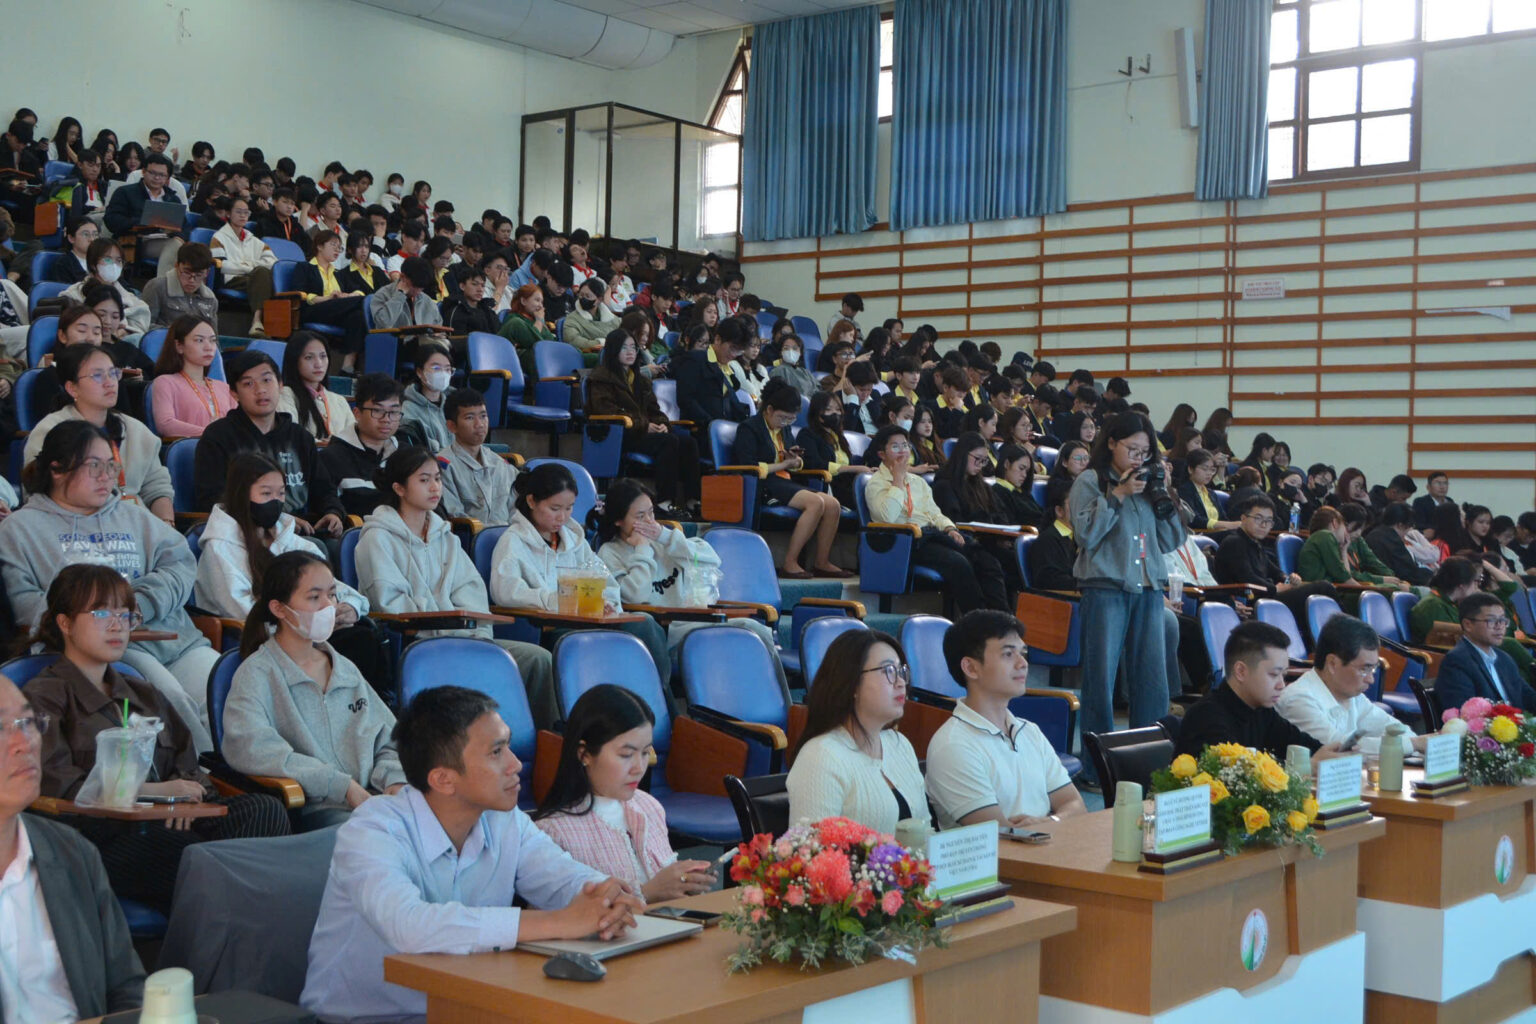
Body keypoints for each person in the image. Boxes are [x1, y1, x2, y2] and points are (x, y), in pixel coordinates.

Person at [300, 685, 641, 1023]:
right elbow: (409, 926)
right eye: (496, 752)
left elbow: (562, 877)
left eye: (508, 745)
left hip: (467, 1009)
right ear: (444, 779)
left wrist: (604, 898)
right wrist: (559, 922)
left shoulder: (505, 820)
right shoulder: (372, 830)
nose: (515, 764)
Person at [28, 565, 292, 912]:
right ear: (64, 623)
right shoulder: (44, 696)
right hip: (104, 833)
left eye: (125, 615)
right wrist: (155, 795)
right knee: (194, 857)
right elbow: (57, 786)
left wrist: (185, 799)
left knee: (265, 810)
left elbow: (189, 766)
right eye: (102, 612)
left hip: (173, 823)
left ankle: (239, 916)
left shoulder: (143, 692)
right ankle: (250, 919)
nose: (116, 625)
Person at [0, 421, 215, 749]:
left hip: (173, 640)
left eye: (111, 465)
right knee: (172, 700)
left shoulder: (132, 514)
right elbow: (24, 602)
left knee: (231, 690)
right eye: (94, 466)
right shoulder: (20, 529)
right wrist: (102, 614)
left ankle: (255, 782)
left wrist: (140, 603)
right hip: (106, 652)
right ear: (57, 469)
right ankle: (205, 781)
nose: (107, 476)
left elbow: (179, 562)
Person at [355, 448, 558, 728]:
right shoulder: (377, 538)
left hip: (466, 638)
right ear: (399, 488)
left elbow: (471, 590)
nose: (435, 487)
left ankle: (546, 749)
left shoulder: (445, 535)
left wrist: (468, 632)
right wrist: (448, 623)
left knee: (538, 660)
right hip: (419, 645)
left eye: (437, 478)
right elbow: (390, 603)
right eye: (424, 480)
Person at [223, 551, 406, 830]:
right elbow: (252, 749)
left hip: (374, 801)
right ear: (279, 609)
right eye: (313, 597)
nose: (327, 607)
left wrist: (394, 780)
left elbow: (389, 738)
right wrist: (342, 787)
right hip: (320, 812)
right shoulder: (257, 674)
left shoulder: (344, 669)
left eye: (331, 595)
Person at [0, 671, 147, 1019]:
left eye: (28, 721)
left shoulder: (71, 853)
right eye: (1, 727)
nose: (25, 742)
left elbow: (127, 989)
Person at [1070, 413, 1186, 767]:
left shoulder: (1150, 485)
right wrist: (1118, 494)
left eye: (1145, 452)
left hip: (1149, 587)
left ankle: (1152, 762)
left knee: (1152, 680)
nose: (1138, 458)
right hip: (1105, 587)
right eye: (1132, 449)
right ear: (1111, 444)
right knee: (1101, 680)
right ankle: (1098, 765)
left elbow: (1171, 540)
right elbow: (1086, 535)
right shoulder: (1091, 481)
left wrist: (1165, 497)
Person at [533, 683, 719, 901]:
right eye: (626, 755)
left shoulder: (648, 806)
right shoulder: (553, 831)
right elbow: (559, 917)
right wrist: (649, 892)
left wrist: (683, 884)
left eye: (644, 752)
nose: (639, 767)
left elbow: (665, 891)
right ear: (584, 754)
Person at [489, 463, 671, 682]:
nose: (563, 517)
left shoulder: (575, 540)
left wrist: (605, 604)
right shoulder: (513, 541)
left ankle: (658, 694)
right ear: (531, 501)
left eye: (569, 508)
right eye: (555, 509)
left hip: (588, 621)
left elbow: (606, 582)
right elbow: (506, 592)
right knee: (612, 642)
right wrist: (561, 601)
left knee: (644, 624)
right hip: (549, 630)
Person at [925, 611, 1086, 829]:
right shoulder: (954, 745)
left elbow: (1076, 805)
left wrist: (1050, 821)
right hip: (1000, 863)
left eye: (1023, 653)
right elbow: (1001, 837)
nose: (1023, 664)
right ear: (971, 667)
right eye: (1008, 654)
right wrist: (1053, 823)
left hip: (1047, 853)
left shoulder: (1029, 731)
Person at [595, 479, 777, 655]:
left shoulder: (663, 540)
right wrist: (642, 549)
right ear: (618, 520)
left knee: (754, 630)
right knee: (746, 631)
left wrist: (665, 537)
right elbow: (636, 596)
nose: (650, 521)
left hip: (693, 621)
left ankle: (775, 685)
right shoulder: (610, 552)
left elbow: (712, 559)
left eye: (651, 513)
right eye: (640, 516)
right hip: (664, 632)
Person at [192, 351, 345, 539]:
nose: (260, 390)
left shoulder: (299, 437)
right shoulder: (218, 437)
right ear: (234, 393)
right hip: (246, 533)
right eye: (248, 384)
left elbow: (323, 489)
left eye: (267, 380)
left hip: (302, 534)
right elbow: (213, 499)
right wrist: (278, 519)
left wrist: (332, 512)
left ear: (280, 385)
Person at [787, 629, 925, 833]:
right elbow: (812, 855)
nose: (900, 682)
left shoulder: (899, 744)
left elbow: (927, 829)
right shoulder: (821, 757)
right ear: (852, 684)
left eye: (901, 671)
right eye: (888, 670)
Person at [866, 425, 1009, 612]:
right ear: (881, 454)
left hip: (932, 536)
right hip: (905, 542)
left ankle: (1002, 619)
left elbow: (934, 513)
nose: (902, 451)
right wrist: (898, 481)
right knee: (958, 563)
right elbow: (887, 518)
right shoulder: (874, 483)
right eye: (895, 447)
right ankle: (978, 622)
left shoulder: (918, 482)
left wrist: (950, 528)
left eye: (906, 446)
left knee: (987, 561)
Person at [26, 344, 174, 523]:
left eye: (113, 373)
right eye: (97, 375)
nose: (109, 382)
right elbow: (38, 493)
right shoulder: (50, 431)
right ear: (72, 388)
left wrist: (167, 524)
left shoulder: (137, 430)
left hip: (136, 528)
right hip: (75, 526)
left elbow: (157, 487)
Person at [1176, 621, 1345, 760]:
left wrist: (1337, 752)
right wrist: (1307, 766)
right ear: (1241, 671)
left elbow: (1306, 747)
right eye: (1274, 674)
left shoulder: (1262, 711)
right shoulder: (1207, 717)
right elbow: (1241, 776)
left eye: (1284, 675)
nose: (1281, 685)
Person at [732, 380, 848, 579]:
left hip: (783, 481)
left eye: (791, 419)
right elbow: (748, 466)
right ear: (769, 409)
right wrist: (783, 465)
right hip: (761, 484)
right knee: (815, 503)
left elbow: (796, 462)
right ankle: (790, 562)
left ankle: (822, 562)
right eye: (783, 418)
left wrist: (795, 459)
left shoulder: (784, 430)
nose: (786, 423)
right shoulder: (749, 428)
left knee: (833, 505)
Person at [1276, 614, 1429, 756]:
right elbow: (1339, 749)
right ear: (1332, 664)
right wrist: (1413, 744)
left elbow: (1397, 730)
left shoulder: (1352, 697)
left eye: (1373, 669)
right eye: (1364, 669)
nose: (1371, 679)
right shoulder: (1298, 699)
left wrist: (1413, 742)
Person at [586, 328, 701, 516]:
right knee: (669, 442)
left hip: (642, 431)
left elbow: (655, 411)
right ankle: (664, 503)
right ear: (613, 350)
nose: (631, 352)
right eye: (625, 348)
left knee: (688, 442)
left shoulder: (641, 381)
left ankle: (692, 500)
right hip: (619, 434)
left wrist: (663, 424)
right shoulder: (601, 378)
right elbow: (605, 411)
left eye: (633, 347)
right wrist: (644, 425)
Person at [1213, 493, 1336, 623]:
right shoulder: (1233, 542)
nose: (1264, 525)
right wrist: (1276, 589)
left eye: (1268, 521)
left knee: (1318, 597)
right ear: (1243, 518)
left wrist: (1289, 579)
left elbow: (1275, 571)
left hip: (1267, 597)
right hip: (1253, 603)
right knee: (1323, 588)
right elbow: (1248, 578)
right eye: (1258, 519)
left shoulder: (1255, 543)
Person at [317, 372, 402, 517]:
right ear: (357, 413)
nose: (386, 419)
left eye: (394, 412)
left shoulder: (404, 455)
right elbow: (326, 503)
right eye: (377, 410)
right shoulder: (332, 457)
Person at [1435, 593, 1536, 713]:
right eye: (1491, 620)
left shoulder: (1504, 659)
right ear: (1468, 625)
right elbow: (1464, 714)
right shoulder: (1457, 661)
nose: (1500, 627)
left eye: (1502, 620)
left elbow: (1528, 697)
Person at [294, 230, 367, 373]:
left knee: (358, 316)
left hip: (336, 310)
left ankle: (347, 365)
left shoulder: (338, 274)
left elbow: (359, 291)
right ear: (320, 246)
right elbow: (300, 294)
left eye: (339, 247)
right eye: (333, 245)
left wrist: (347, 295)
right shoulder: (305, 267)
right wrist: (327, 298)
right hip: (313, 310)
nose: (337, 250)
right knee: (363, 302)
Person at [148, 314, 232, 437]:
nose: (209, 347)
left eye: (213, 340)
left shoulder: (224, 387)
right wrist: (211, 434)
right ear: (179, 346)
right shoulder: (165, 382)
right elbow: (165, 425)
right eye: (199, 340)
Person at [208, 196, 275, 336]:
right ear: (228, 214)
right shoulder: (219, 237)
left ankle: (275, 328)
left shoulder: (253, 239)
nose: (243, 216)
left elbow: (273, 262)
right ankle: (258, 321)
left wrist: (250, 266)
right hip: (233, 280)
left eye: (246, 212)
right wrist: (249, 268)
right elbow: (221, 265)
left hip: (254, 278)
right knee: (262, 273)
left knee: (267, 277)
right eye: (239, 212)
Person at [1298, 506, 1406, 590]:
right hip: (1324, 592)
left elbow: (1345, 575)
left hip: (1332, 589)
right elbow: (1342, 576)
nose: (1346, 531)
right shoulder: (1325, 536)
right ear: (1335, 523)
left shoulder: (1323, 538)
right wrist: (1361, 590)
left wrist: (1344, 550)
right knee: (1391, 589)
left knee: (1391, 588)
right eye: (1344, 525)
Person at [276, 330, 354, 442]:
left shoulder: (339, 400)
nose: (319, 364)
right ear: (294, 361)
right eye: (309, 357)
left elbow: (353, 440)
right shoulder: (284, 395)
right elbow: (292, 438)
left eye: (323, 356)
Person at [674, 316, 751, 425]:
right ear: (718, 339)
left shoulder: (728, 369)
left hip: (726, 427)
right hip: (702, 428)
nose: (734, 355)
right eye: (732, 348)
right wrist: (711, 423)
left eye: (738, 351)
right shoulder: (695, 360)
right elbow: (686, 399)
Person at [141, 243, 218, 327]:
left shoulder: (210, 299)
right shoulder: (157, 287)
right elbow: (144, 326)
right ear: (177, 266)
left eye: (199, 275)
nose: (192, 280)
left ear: (207, 273)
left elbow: (213, 337)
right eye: (186, 273)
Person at [400, 341, 454, 452]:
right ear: (420, 372)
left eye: (447, 369)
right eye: (436, 368)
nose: (443, 374)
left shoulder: (454, 403)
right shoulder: (408, 408)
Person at [1364, 502, 1435, 587]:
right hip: (1394, 584)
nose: (1410, 530)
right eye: (1410, 525)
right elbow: (1408, 571)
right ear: (1400, 525)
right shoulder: (1391, 539)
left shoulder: (1376, 533)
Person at [1176, 449, 1243, 532]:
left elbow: (1223, 518)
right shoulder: (1184, 490)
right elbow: (1193, 519)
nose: (1209, 473)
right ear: (1190, 469)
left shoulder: (1211, 493)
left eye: (1212, 469)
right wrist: (1226, 525)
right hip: (1201, 534)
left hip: (1218, 533)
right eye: (1204, 469)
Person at [992, 445, 1044, 527]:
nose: (1024, 475)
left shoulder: (1022, 492)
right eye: (1021, 468)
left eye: (1027, 471)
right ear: (1007, 464)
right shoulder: (998, 491)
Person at [768, 331, 816, 398]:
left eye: (795, 348)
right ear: (780, 352)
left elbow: (818, 390)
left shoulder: (806, 372)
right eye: (786, 348)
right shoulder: (778, 371)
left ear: (800, 353)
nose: (790, 351)